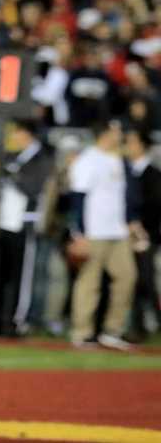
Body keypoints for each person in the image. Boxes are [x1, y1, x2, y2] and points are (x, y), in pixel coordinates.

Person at [67, 121, 139, 349]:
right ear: (105, 134)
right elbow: (77, 197)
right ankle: (82, 332)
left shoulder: (118, 159)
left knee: (127, 277)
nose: (120, 136)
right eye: (117, 132)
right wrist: (78, 232)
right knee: (90, 282)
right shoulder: (88, 160)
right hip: (94, 231)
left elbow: (124, 197)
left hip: (117, 231)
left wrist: (130, 222)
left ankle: (112, 330)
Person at [0, 119, 54, 337]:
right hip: (6, 222)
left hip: (25, 222)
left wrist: (14, 176)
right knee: (2, 274)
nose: (14, 138)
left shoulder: (41, 158)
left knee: (22, 277)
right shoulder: (12, 157)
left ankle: (18, 321)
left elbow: (35, 188)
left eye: (17, 133)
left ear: (27, 135)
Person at [125, 128, 158, 342]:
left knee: (145, 281)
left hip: (146, 235)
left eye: (131, 142)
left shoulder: (153, 174)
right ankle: (137, 327)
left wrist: (142, 231)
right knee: (133, 281)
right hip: (126, 234)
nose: (127, 146)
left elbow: (155, 207)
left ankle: (149, 323)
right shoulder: (126, 171)